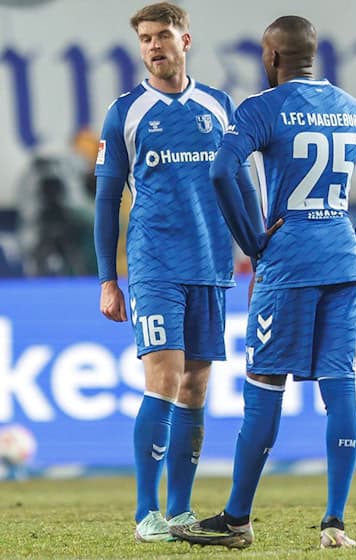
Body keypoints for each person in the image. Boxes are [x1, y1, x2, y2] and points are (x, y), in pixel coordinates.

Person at [169, 15, 356, 549]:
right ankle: (334, 522)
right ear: (312, 56)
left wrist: (251, 239)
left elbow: (220, 170)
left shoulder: (260, 109)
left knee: (265, 388)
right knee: (339, 384)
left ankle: (237, 519)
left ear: (271, 57)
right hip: (342, 262)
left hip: (288, 261)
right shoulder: (350, 108)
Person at [94, 2, 260, 542]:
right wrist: (107, 278)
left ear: (185, 40)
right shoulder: (126, 113)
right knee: (163, 377)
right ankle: (147, 513)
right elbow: (106, 199)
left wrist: (257, 251)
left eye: (163, 35)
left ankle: (182, 509)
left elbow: (239, 184)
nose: (153, 46)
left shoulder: (218, 105)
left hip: (211, 266)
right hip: (154, 265)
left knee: (195, 387)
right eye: (145, 38)